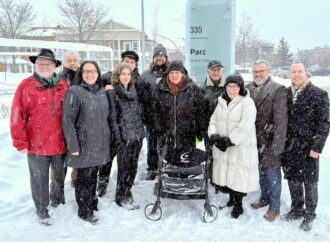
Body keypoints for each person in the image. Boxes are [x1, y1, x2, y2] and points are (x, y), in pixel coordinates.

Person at [10, 48, 69, 224]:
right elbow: (16, 114)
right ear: (36, 66)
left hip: (59, 141)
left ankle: (57, 202)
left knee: (59, 176)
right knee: (39, 179)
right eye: (40, 63)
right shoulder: (25, 86)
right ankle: (41, 209)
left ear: (54, 66)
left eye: (48, 63)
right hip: (36, 143)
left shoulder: (63, 85)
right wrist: (20, 141)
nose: (44, 66)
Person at [281, 63, 329, 231]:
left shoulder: (319, 94)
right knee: (293, 179)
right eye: (293, 72)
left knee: (310, 182)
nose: (296, 75)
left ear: (306, 73)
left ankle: (310, 214)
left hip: (309, 146)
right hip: (290, 146)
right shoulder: (286, 93)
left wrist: (317, 147)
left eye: (299, 71)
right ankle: (296, 209)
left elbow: (324, 123)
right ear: (290, 74)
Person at [62, 61, 112, 224]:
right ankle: (84, 210)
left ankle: (92, 201)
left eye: (93, 71)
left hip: (99, 143)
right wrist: (73, 146)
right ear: (81, 74)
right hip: (83, 144)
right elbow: (67, 121)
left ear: (98, 73)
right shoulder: (74, 92)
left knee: (93, 175)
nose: (89, 74)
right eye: (86, 71)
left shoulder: (101, 92)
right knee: (84, 178)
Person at [208, 73, 259, 219]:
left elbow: (246, 126)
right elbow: (213, 120)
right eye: (229, 86)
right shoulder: (221, 101)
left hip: (239, 147)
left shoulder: (247, 102)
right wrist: (214, 135)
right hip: (223, 147)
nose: (232, 89)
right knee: (228, 175)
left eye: (235, 86)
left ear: (240, 88)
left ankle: (239, 206)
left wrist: (229, 141)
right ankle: (231, 199)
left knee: (238, 177)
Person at [246, 60, 288, 222]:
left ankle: (275, 207)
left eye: (261, 71)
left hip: (271, 142)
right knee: (261, 173)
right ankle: (264, 198)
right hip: (254, 141)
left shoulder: (277, 89)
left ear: (268, 71)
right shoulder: (249, 88)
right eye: (255, 71)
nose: (258, 74)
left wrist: (278, 144)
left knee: (273, 175)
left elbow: (281, 120)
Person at [151, 59, 205, 167]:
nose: (174, 75)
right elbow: (154, 110)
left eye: (177, 72)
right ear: (167, 74)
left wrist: (198, 129)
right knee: (168, 164)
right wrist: (158, 128)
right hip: (167, 135)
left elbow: (200, 110)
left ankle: (184, 179)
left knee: (185, 163)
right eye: (171, 72)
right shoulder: (160, 88)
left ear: (182, 73)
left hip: (187, 135)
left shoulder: (192, 88)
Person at [108, 63, 145, 210]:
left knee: (133, 167)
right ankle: (120, 196)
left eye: (128, 74)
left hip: (137, 135)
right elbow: (112, 118)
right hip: (123, 138)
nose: (126, 76)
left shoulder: (135, 91)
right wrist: (118, 139)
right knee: (124, 169)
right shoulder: (113, 93)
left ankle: (128, 191)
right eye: (123, 74)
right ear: (117, 76)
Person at [142, 44, 169, 180]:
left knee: (166, 144)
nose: (159, 58)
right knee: (152, 144)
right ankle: (152, 169)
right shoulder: (146, 75)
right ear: (153, 58)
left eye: (162, 55)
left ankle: (166, 166)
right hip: (151, 116)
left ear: (166, 58)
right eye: (157, 56)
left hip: (167, 116)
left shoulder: (172, 72)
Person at [200, 60, 226, 189]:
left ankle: (223, 181)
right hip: (209, 130)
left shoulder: (228, 87)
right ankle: (212, 179)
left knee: (224, 156)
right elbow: (199, 111)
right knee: (211, 156)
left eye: (218, 70)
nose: (216, 72)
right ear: (208, 72)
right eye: (213, 70)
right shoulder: (202, 89)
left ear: (222, 71)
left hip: (225, 130)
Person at [58, 51, 79, 188]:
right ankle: (58, 191)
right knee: (61, 161)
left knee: (78, 157)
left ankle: (75, 182)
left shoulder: (82, 76)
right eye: (69, 60)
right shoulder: (59, 78)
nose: (72, 63)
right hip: (61, 124)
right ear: (63, 62)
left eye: (74, 60)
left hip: (79, 124)